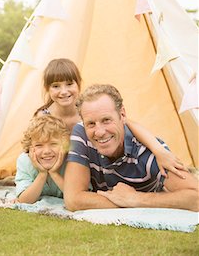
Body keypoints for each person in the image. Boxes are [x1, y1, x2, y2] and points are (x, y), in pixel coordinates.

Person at [35, 58, 187, 179]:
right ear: (47, 89)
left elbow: (128, 124)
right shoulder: (44, 116)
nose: (63, 91)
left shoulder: (87, 110)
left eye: (69, 84)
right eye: (56, 86)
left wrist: (158, 149)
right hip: (57, 165)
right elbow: (34, 144)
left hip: (83, 167)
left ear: (78, 84)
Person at [64, 84, 199, 212]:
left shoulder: (149, 152)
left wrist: (137, 199)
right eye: (91, 124)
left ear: (122, 115)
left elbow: (196, 197)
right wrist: (125, 202)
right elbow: (73, 199)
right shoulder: (81, 134)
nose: (99, 132)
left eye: (106, 120)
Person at [15, 115, 70, 203]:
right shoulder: (24, 161)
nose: (47, 151)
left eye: (53, 144)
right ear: (30, 148)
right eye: (39, 145)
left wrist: (54, 173)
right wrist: (42, 174)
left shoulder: (71, 161)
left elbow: (76, 198)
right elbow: (24, 200)